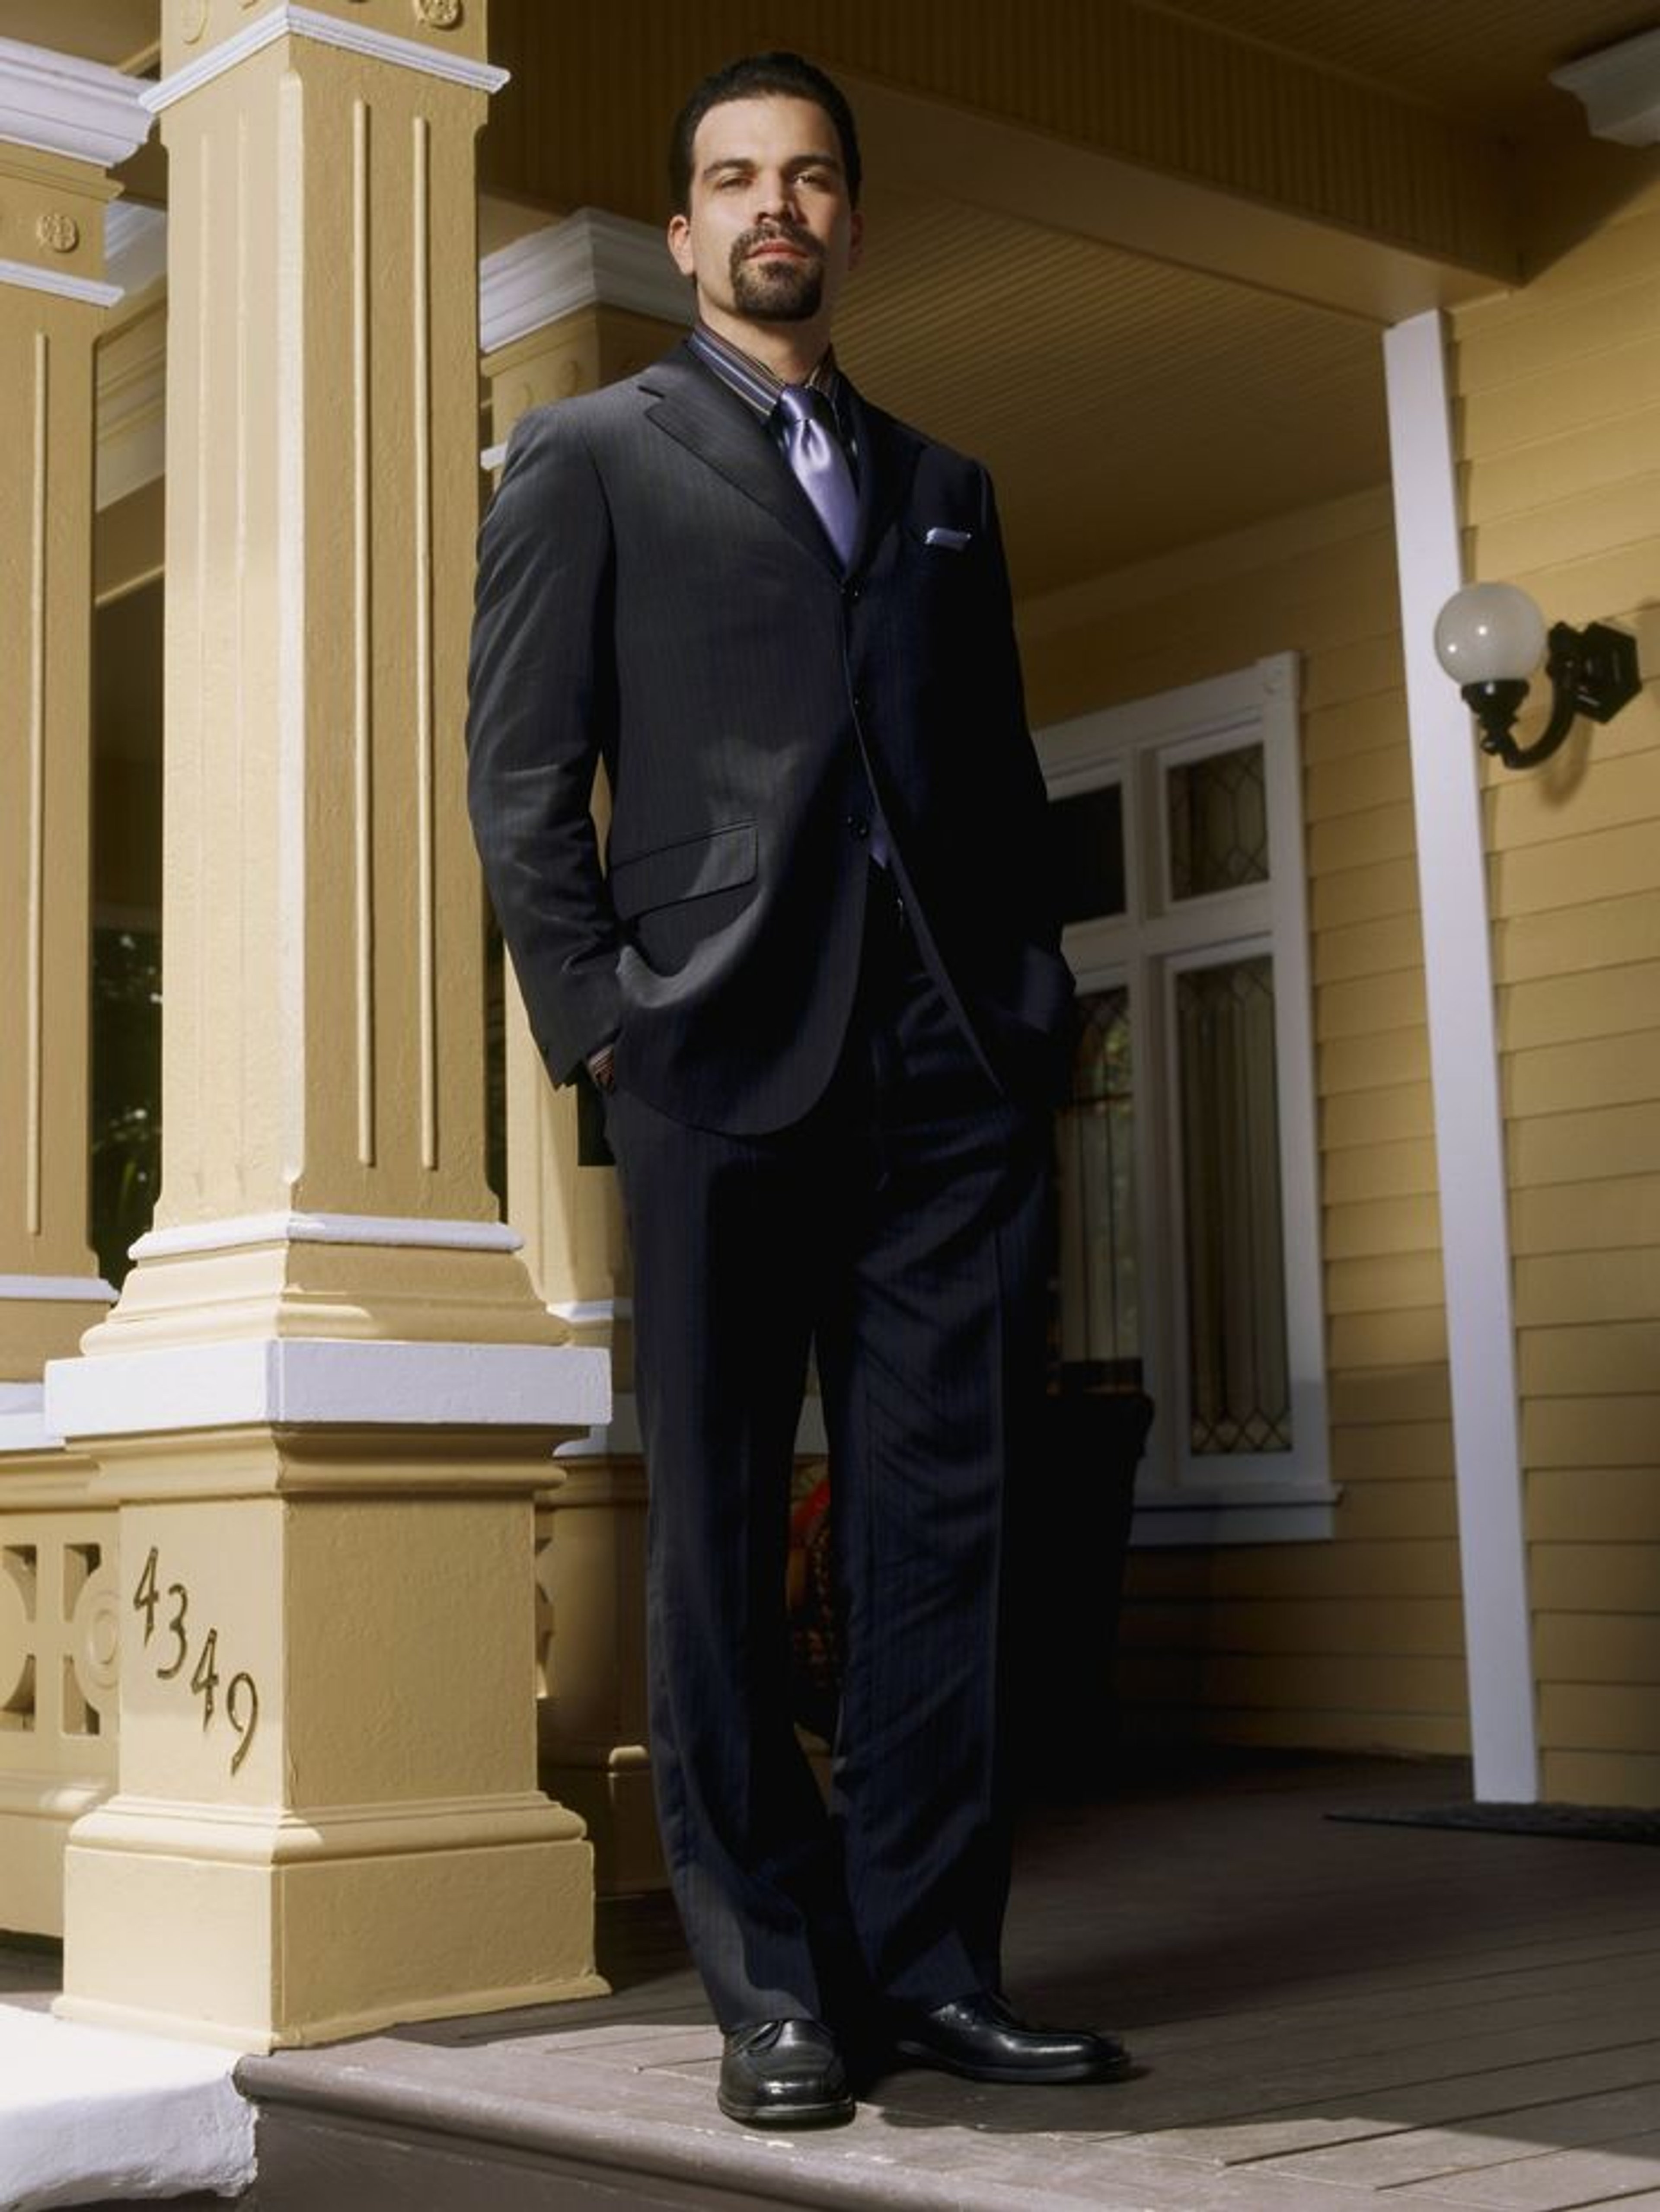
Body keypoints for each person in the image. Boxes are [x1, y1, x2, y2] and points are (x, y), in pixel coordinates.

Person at [466, 50, 1130, 2129]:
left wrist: (1030, 1001)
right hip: (720, 1059)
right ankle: (770, 1985)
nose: (779, 205)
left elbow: (994, 776)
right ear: (684, 233)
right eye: (738, 178)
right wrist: (608, 1020)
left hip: (949, 1074)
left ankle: (928, 1962)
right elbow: (520, 776)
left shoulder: (946, 486)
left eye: (813, 176)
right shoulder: (587, 454)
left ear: (849, 218)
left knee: (948, 1533)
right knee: (723, 1530)